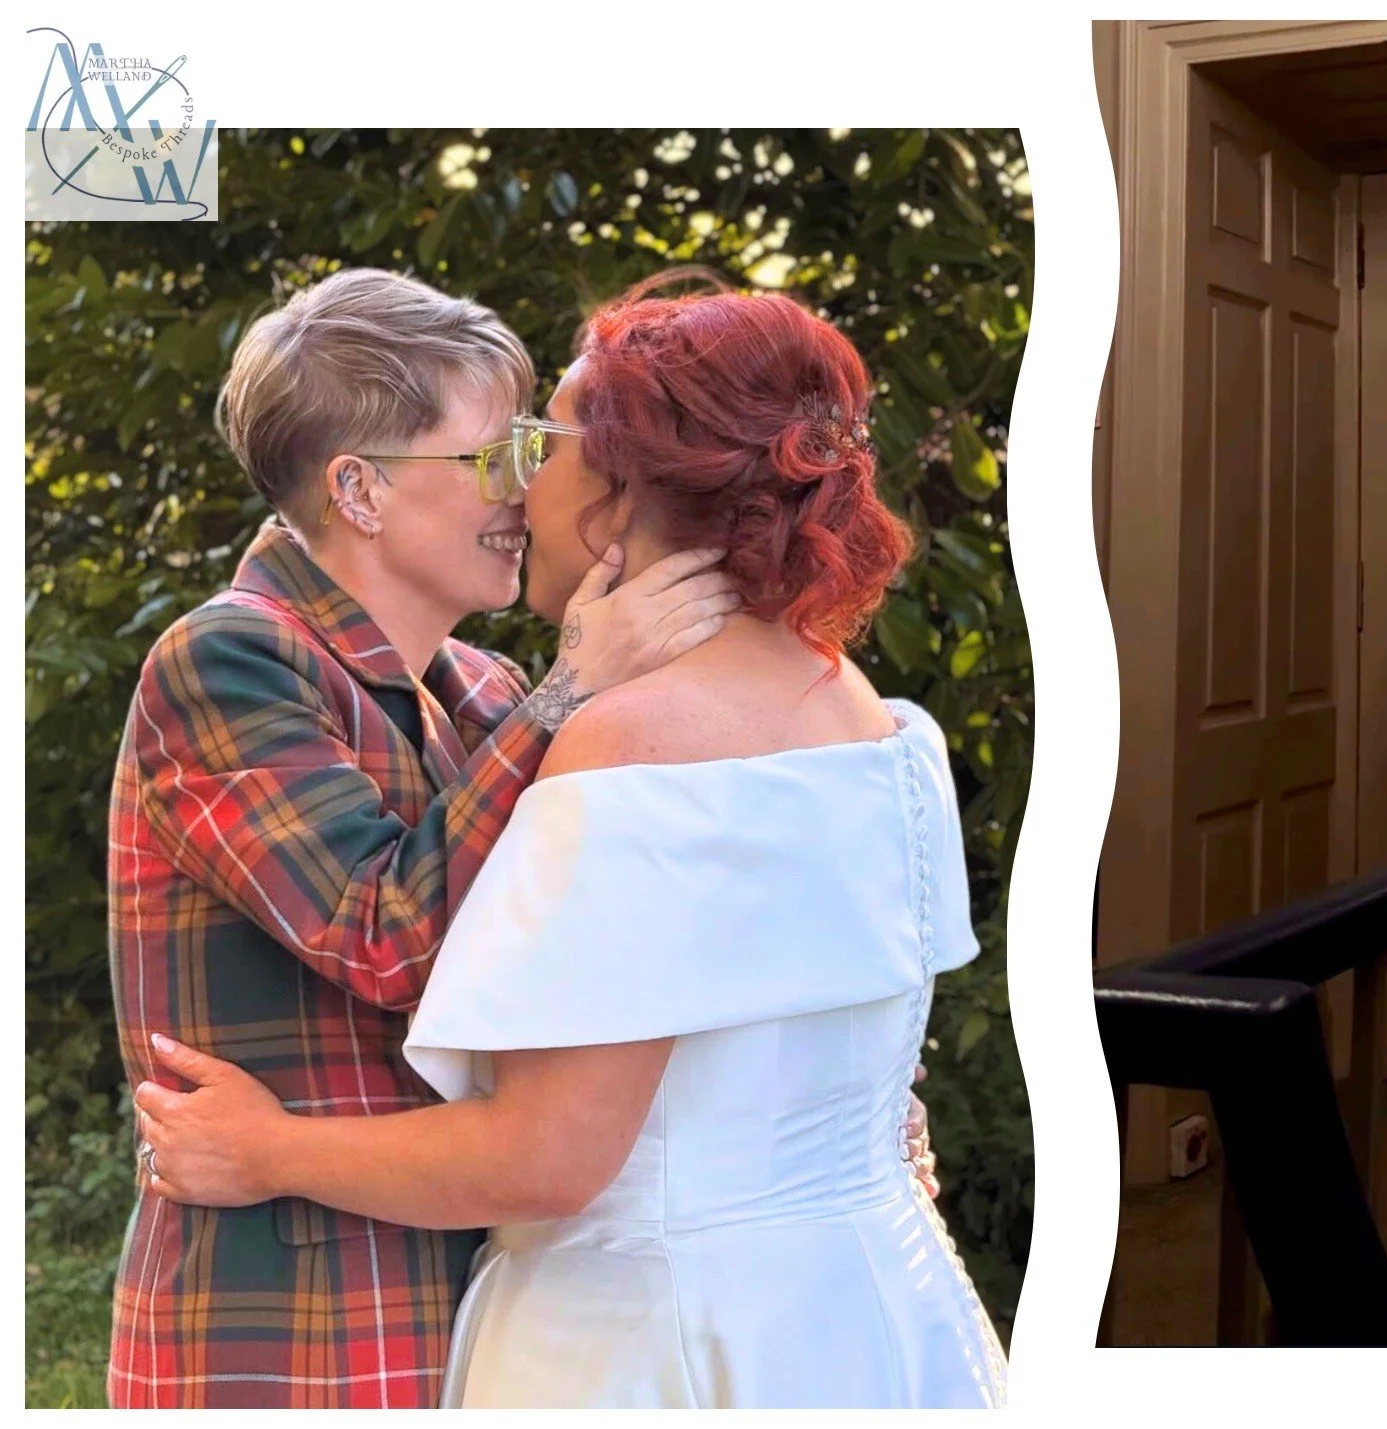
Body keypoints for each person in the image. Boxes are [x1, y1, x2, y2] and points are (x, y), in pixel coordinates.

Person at [129, 272, 1008, 1408]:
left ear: (628, 485)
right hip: (333, 1306)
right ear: (357, 490)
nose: (518, 485)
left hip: (652, 1321)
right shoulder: (861, 711)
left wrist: (271, 1146)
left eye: (536, 444)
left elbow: (562, 1142)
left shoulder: (548, 707)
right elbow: (392, 935)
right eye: (492, 452)